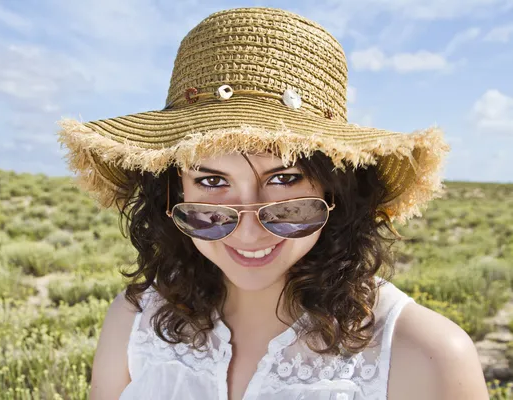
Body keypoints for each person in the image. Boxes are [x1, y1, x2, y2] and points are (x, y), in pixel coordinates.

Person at [57, 7, 488, 400]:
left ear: (335, 189)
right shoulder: (135, 321)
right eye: (211, 180)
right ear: (171, 192)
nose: (248, 231)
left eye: (283, 179)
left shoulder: (427, 357)